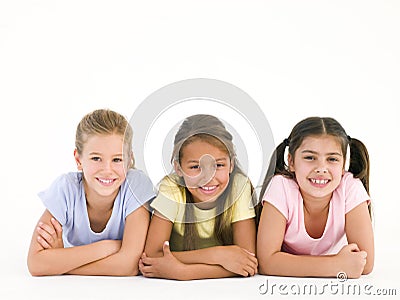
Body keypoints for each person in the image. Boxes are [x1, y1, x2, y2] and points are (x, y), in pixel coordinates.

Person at [27, 109, 155, 276]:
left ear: (129, 160)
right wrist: (106, 247)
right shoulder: (66, 189)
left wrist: (61, 262)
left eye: (117, 160)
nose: (107, 170)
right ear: (78, 160)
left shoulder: (136, 186)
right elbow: (36, 264)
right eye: (96, 158)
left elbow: (128, 266)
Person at [139, 114, 259, 280]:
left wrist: (184, 272)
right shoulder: (172, 189)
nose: (208, 177)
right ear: (178, 168)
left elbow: (248, 262)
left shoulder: (239, 186)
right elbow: (152, 257)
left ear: (231, 164)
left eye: (218, 165)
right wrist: (217, 255)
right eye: (195, 166)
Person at [257, 116, 374, 278]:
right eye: (310, 158)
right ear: (291, 161)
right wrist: (336, 265)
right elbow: (266, 262)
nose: (321, 168)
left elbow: (365, 263)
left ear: (343, 165)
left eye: (332, 159)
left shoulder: (350, 187)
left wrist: (341, 264)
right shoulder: (281, 187)